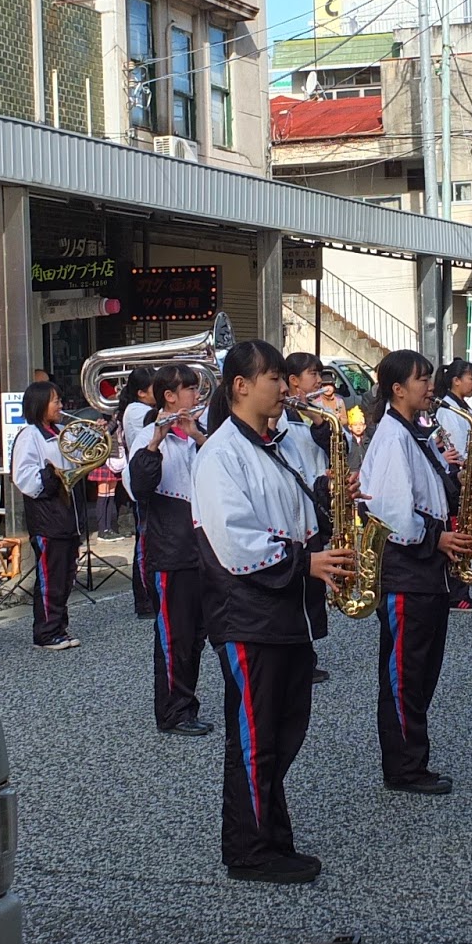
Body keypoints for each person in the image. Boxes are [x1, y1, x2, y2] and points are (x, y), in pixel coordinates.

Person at [191, 340, 354, 885]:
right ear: (241, 386)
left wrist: (333, 502)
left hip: (281, 617)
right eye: (275, 379)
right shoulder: (220, 454)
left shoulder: (271, 445)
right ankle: (250, 850)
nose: (285, 389)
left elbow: (296, 517)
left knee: (282, 733)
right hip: (247, 619)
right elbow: (236, 542)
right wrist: (305, 563)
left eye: (286, 379)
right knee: (256, 738)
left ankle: (270, 837)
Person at [359, 350, 466, 795]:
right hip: (407, 572)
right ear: (397, 389)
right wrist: (433, 540)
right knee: (404, 673)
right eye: (421, 379)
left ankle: (411, 758)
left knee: (421, 670)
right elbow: (386, 511)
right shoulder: (390, 437)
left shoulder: (416, 433)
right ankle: (404, 767)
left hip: (428, 573)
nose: (430, 386)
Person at [128, 364, 212, 736]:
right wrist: (155, 443)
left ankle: (187, 704)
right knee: (173, 636)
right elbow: (138, 489)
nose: (196, 395)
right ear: (169, 397)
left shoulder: (199, 434)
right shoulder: (148, 435)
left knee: (196, 636)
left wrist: (198, 437)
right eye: (189, 389)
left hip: (201, 550)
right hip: (169, 551)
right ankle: (172, 712)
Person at [279, 351, 343, 684]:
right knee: (298, 587)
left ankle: (308, 654)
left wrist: (320, 418)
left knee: (313, 591)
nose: (319, 381)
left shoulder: (313, 412)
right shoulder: (280, 417)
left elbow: (336, 449)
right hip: (295, 511)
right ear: (292, 381)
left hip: (316, 507)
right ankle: (296, 657)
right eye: (312, 374)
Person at [13, 380, 87, 651]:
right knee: (50, 576)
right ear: (40, 404)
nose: (60, 405)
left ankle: (58, 627)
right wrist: (51, 476)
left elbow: (78, 462)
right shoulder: (29, 435)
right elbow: (24, 478)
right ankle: (45, 631)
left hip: (67, 516)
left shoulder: (58, 432)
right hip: (47, 517)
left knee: (65, 575)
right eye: (55, 400)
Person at [431, 358, 472, 614]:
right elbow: (456, 448)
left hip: (467, 474)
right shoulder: (449, 410)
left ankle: (462, 586)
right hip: (458, 477)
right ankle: (457, 591)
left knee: (466, 529)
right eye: (470, 378)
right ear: (455, 380)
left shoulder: (462, 408)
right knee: (460, 529)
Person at [117, 367, 159, 617]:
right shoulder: (136, 411)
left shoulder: (140, 408)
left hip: (151, 476)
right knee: (144, 544)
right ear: (142, 393)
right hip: (142, 479)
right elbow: (157, 422)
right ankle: (143, 599)